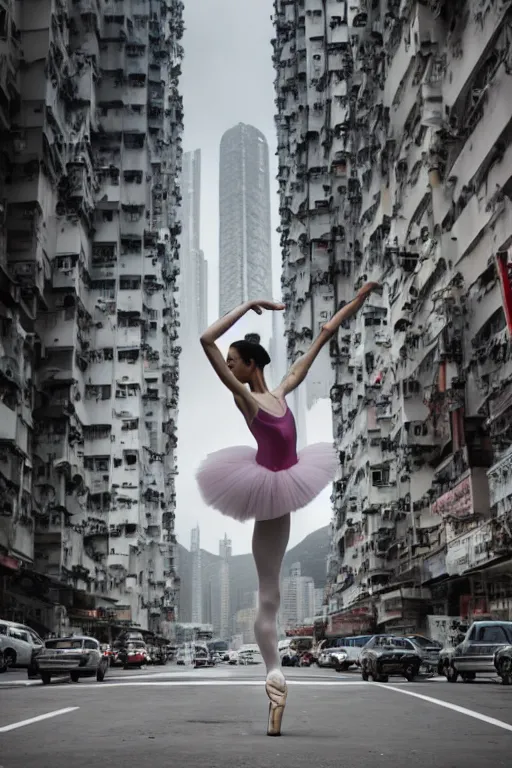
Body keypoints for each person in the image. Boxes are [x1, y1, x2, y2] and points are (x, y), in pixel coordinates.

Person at [197, 282, 380, 736]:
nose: (233, 367)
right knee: (266, 594)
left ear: (253, 363)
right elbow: (206, 342)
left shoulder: (281, 389)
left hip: (284, 487)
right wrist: (249, 304)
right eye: (231, 362)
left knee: (272, 594)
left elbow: (322, 335)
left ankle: (275, 678)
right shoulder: (248, 400)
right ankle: (274, 673)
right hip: (265, 488)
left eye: (237, 361)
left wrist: (359, 299)